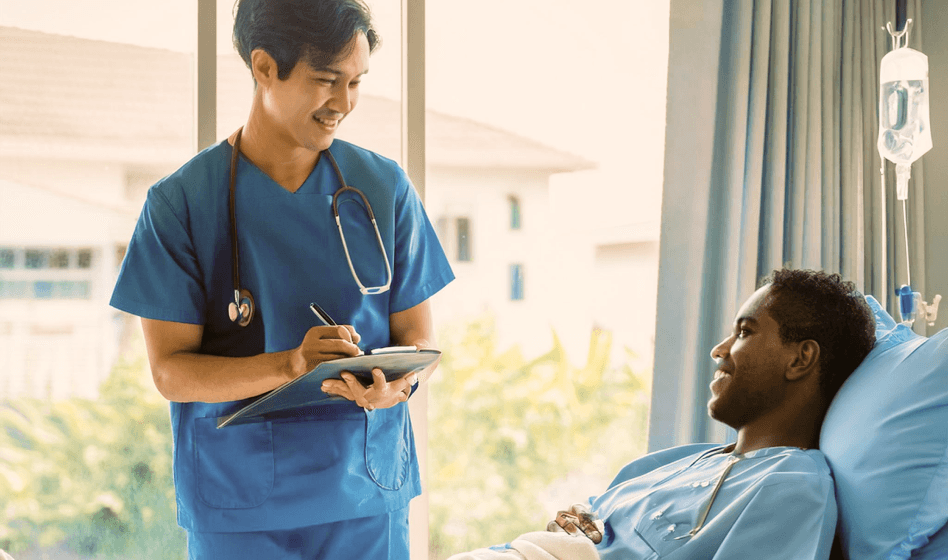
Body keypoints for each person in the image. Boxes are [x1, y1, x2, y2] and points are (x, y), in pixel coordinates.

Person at [109, 0, 454, 557]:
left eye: (356, 83)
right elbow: (171, 372)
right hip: (239, 504)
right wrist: (291, 364)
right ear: (265, 66)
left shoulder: (384, 188)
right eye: (326, 81)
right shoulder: (181, 205)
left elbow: (418, 340)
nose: (343, 103)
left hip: (365, 491)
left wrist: (400, 383)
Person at [449, 268, 876, 560]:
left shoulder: (794, 487)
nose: (720, 349)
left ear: (800, 359)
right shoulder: (684, 460)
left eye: (745, 332)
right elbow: (593, 523)